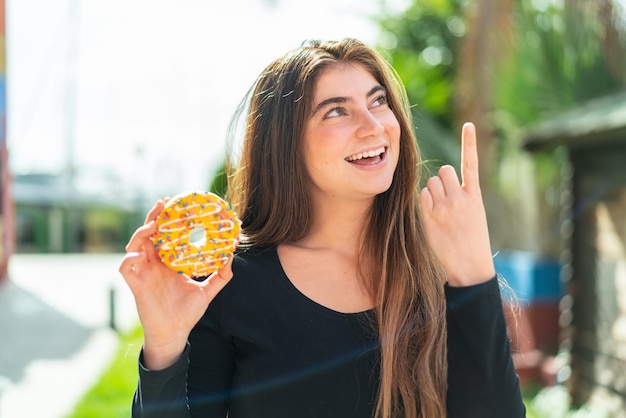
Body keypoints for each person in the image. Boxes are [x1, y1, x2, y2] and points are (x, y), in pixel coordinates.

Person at [120, 38, 526, 418]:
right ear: (285, 144)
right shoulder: (227, 282)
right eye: (336, 110)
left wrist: (474, 275)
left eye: (378, 101)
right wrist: (165, 347)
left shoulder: (441, 268)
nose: (373, 125)